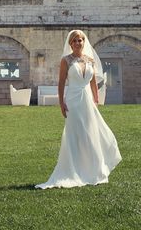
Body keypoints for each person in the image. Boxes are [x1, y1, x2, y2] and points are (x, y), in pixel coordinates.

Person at [36, 30, 122, 189]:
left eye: (80, 40)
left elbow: (93, 82)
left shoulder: (90, 60)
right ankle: (73, 170)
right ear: (70, 44)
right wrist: (61, 102)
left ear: (84, 42)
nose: (77, 43)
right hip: (73, 101)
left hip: (88, 102)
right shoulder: (66, 61)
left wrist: (96, 100)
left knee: (91, 133)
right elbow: (61, 82)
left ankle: (93, 170)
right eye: (74, 41)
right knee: (75, 133)